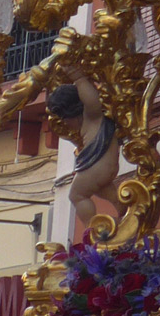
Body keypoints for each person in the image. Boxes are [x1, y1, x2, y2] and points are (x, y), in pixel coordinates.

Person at [45, 78, 120, 227]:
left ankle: (93, 230)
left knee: (77, 195)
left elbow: (92, 99)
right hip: (102, 166)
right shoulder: (89, 122)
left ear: (71, 110)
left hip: (99, 164)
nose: (64, 122)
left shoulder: (92, 116)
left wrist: (78, 77)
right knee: (102, 190)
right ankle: (124, 209)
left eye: (64, 117)